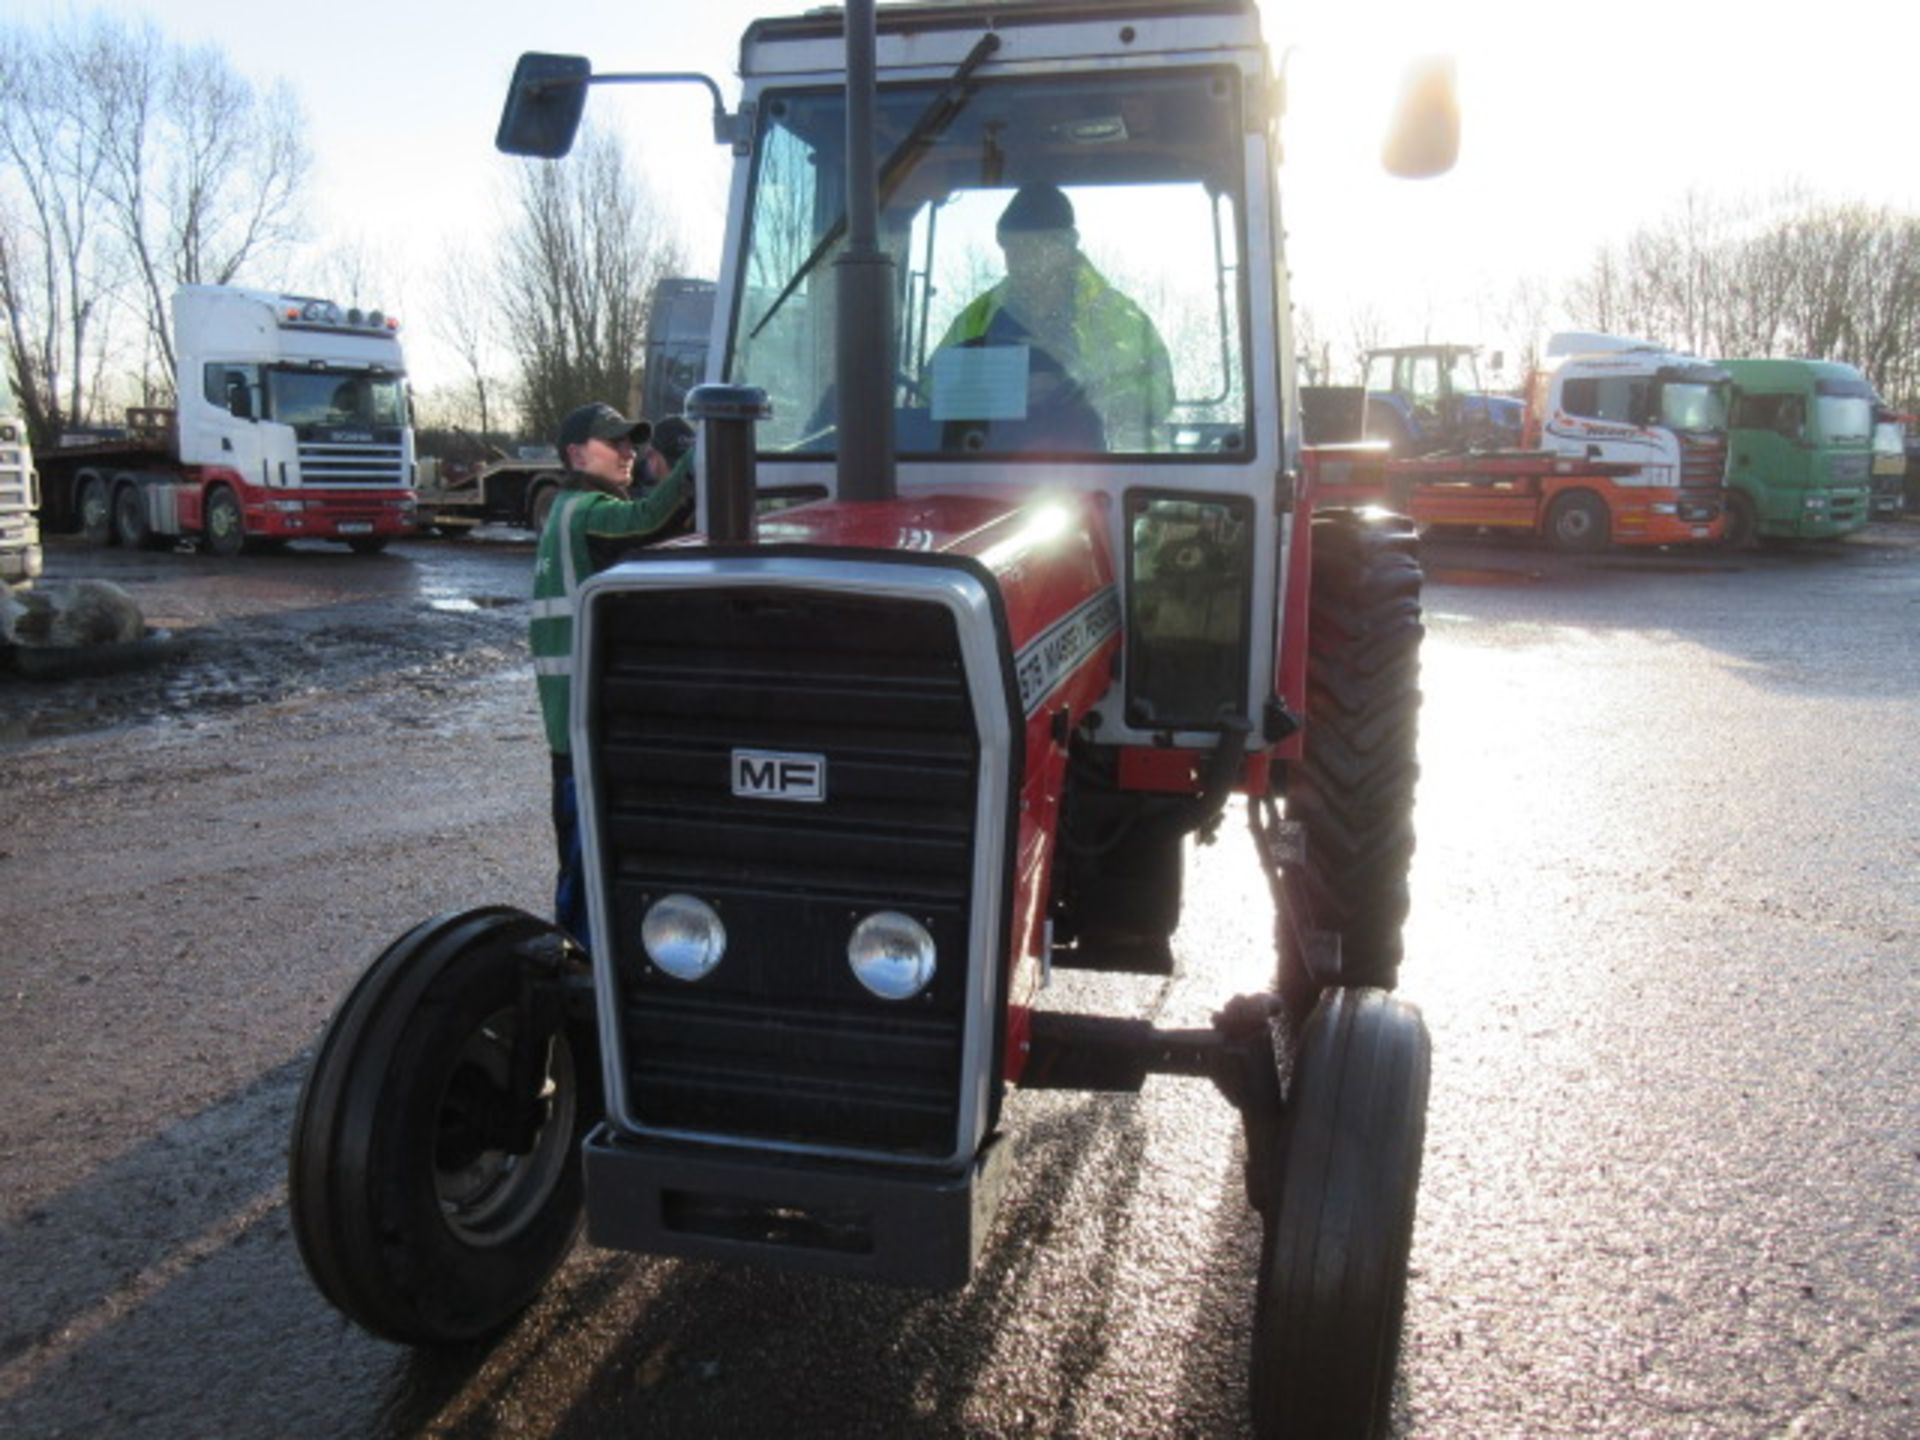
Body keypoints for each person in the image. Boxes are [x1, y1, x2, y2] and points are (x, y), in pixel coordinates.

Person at [531, 401, 693, 949]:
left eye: (631, 443)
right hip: (582, 732)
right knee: (587, 869)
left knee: (587, 861)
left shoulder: (565, 512)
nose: (629, 452)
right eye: (614, 443)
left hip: (573, 730)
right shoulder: (583, 511)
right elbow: (646, 523)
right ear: (577, 453)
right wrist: (702, 459)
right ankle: (578, 979)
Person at [933, 183, 1176, 451]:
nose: (1022, 261)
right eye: (1013, 248)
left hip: (1095, 476)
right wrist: (1007, 390)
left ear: (1067, 246)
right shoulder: (978, 317)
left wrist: (1083, 390)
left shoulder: (1117, 318)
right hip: (985, 473)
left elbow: (1159, 393)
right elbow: (928, 393)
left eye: (1036, 247)